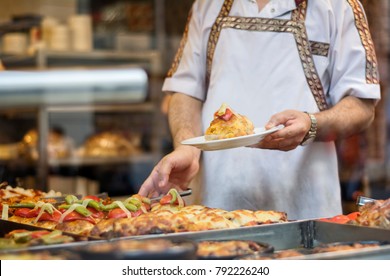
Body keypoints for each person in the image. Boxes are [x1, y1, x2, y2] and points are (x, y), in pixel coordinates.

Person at [139, 0, 381, 220]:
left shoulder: (339, 6)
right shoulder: (208, 5)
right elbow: (185, 90)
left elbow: (362, 105)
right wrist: (186, 146)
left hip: (306, 210)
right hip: (213, 210)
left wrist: (312, 124)